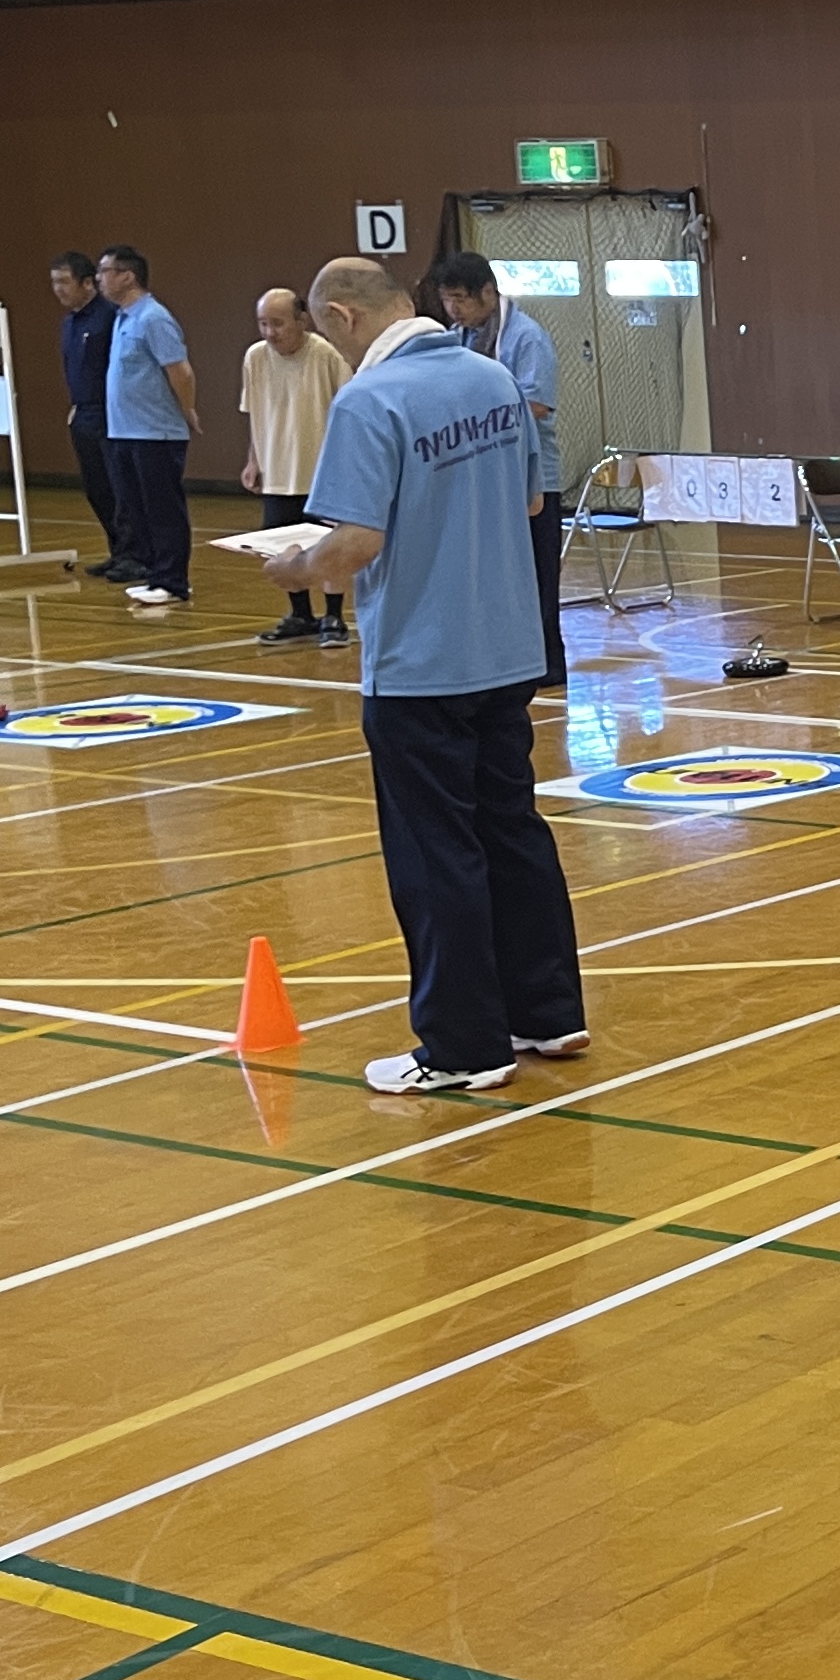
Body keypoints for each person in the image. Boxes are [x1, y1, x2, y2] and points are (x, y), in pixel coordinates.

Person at [265, 256, 584, 1097]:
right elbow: (530, 503)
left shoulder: (369, 400)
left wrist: (296, 567)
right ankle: (547, 1012)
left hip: (420, 663)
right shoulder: (493, 378)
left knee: (434, 852)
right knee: (512, 830)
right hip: (505, 649)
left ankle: (462, 1044)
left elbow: (355, 543)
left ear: (342, 316)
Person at [430, 255, 567, 692]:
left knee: (537, 575)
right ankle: (500, 661)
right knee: (488, 575)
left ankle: (548, 662)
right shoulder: (457, 339)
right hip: (478, 477)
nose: (453, 308)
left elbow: (538, 403)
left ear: (488, 292)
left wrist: (475, 411)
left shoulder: (526, 336)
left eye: (460, 298)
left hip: (532, 478)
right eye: (446, 299)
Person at [239, 285, 352, 646]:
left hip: (322, 472)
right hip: (277, 471)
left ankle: (334, 616)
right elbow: (255, 412)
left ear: (302, 320)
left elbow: (348, 412)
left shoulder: (326, 355)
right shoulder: (255, 357)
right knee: (282, 546)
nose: (270, 332)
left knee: (329, 545)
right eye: (263, 324)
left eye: (278, 323)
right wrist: (253, 460)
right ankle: (300, 613)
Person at [95, 245, 201, 609]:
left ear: (127, 276)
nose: (99, 279)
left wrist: (187, 409)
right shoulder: (122, 318)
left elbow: (180, 371)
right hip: (124, 432)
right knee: (136, 509)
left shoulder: (153, 318)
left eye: (105, 271)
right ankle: (156, 574)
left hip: (154, 433)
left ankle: (173, 581)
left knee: (162, 510)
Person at [46, 252, 128, 579]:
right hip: (82, 414)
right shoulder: (70, 322)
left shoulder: (109, 317)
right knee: (97, 490)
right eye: (54, 282)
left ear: (87, 282)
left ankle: (134, 554)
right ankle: (117, 551)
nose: (58, 289)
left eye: (64, 282)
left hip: (109, 414)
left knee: (120, 489)